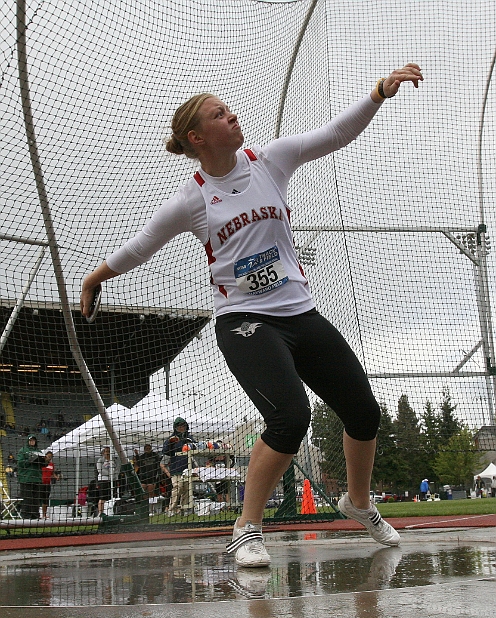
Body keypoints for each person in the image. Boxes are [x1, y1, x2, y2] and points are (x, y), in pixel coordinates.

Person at [80, 63, 423, 566]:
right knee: (289, 416)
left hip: (300, 312)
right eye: (221, 114)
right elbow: (142, 246)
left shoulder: (270, 160)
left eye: (230, 109)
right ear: (198, 138)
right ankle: (247, 528)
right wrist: (95, 278)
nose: (233, 116)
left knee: (364, 413)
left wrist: (378, 91)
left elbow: (335, 134)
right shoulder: (192, 200)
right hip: (245, 321)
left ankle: (359, 503)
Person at [161, 417, 196, 516]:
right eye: (179, 426)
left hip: (187, 467)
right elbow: (165, 453)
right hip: (176, 468)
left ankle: (183, 509)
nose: (181, 428)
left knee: (186, 489)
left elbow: (195, 447)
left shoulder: (189, 438)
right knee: (177, 487)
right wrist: (170, 444)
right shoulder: (171, 439)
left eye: (183, 426)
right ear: (175, 427)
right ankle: (171, 509)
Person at [16, 434, 45, 519]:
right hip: (26, 478)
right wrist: (30, 460)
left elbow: (43, 464)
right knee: (27, 498)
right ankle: (26, 516)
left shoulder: (39, 451)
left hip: (37, 478)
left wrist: (45, 460)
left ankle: (35, 515)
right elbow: (20, 463)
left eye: (33, 440)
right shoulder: (23, 450)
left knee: (36, 499)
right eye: (30, 440)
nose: (32, 442)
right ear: (28, 441)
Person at [96, 446, 121, 516]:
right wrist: (109, 474)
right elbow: (100, 470)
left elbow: (118, 469)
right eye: (106, 451)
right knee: (103, 497)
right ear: (103, 453)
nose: (107, 453)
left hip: (113, 480)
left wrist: (113, 476)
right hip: (103, 481)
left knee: (113, 497)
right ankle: (100, 513)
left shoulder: (115, 460)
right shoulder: (100, 460)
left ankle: (112, 512)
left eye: (109, 452)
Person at [40, 451, 61, 519]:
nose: (49, 458)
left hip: (47, 484)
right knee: (38, 498)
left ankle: (44, 515)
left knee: (45, 499)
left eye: (51, 457)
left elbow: (52, 473)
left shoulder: (52, 465)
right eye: (49, 456)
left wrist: (56, 477)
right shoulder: (41, 464)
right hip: (40, 483)